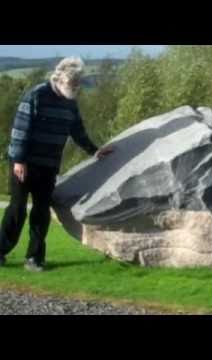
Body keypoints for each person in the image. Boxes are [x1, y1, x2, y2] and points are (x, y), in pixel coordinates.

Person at [0, 57, 114, 272]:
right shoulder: (36, 95)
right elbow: (20, 129)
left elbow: (78, 131)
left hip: (48, 166)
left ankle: (34, 259)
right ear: (60, 79)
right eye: (73, 84)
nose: (76, 88)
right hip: (24, 165)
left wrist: (95, 151)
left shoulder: (70, 104)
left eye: (78, 84)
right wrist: (18, 160)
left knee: (41, 213)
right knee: (17, 210)